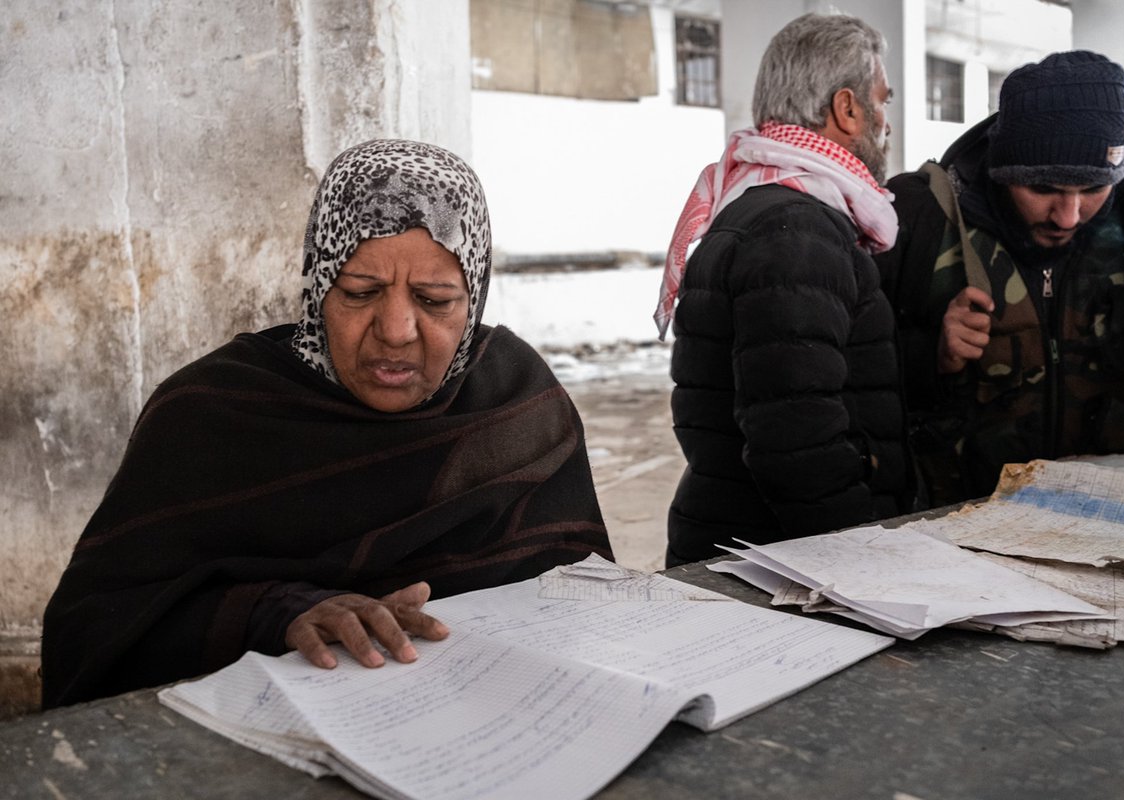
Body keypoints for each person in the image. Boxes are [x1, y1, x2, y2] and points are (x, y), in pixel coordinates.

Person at [41, 139, 613, 708]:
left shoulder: (514, 396)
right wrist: (273, 613)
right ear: (318, 287)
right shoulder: (212, 414)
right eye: (360, 293)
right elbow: (92, 631)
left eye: (435, 301)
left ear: (475, 298)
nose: (395, 330)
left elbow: (587, 605)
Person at [875, 51, 1124, 507]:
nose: (1067, 217)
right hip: (960, 528)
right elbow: (850, 385)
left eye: (1092, 189)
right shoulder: (920, 218)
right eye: (1043, 189)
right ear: (1002, 173)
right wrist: (932, 352)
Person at [654, 13, 913, 567]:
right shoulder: (796, 232)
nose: (886, 122)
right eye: (882, 101)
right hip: (777, 568)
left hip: (742, 546)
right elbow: (796, 439)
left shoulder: (768, 206)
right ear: (847, 109)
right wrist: (859, 563)